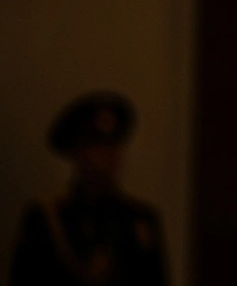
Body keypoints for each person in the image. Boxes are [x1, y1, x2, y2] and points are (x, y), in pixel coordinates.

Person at [10, 91, 168, 286]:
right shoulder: (46, 218)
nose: (107, 154)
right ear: (76, 150)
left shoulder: (140, 220)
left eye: (114, 143)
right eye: (97, 143)